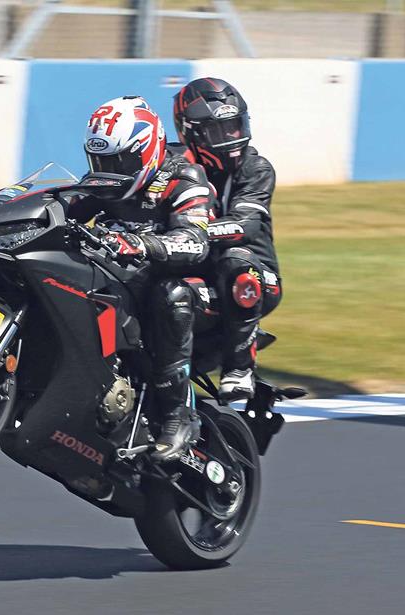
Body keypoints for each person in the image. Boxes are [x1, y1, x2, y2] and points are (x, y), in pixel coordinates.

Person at [69, 95, 216, 460]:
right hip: (121, 280)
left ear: (146, 148)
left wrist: (139, 243)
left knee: (172, 295)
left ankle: (177, 414)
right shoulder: (105, 181)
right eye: (101, 160)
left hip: (190, 285)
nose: (110, 169)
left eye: (120, 160)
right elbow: (67, 204)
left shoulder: (184, 178)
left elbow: (195, 242)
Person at [172, 78, 282, 401]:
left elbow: (244, 226)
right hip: (197, 268)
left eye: (236, 126)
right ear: (190, 133)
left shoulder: (256, 168)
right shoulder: (174, 166)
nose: (233, 137)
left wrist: (193, 234)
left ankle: (239, 368)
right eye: (221, 131)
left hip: (257, 276)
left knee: (236, 258)